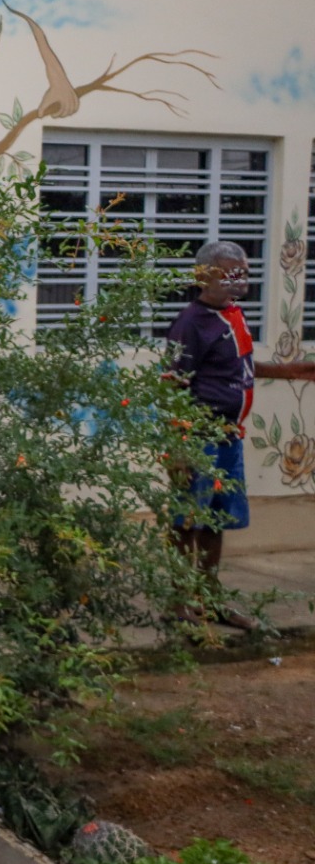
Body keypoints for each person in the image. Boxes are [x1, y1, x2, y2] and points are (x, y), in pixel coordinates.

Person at [166, 240, 315, 629]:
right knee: (188, 521)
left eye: (244, 273)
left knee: (217, 521)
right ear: (203, 276)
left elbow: (240, 368)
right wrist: (178, 448)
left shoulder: (234, 316)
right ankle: (180, 603)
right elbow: (171, 387)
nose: (240, 281)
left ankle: (211, 599)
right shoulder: (190, 324)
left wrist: (291, 371)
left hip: (229, 439)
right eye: (230, 273)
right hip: (197, 439)